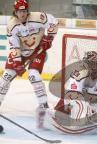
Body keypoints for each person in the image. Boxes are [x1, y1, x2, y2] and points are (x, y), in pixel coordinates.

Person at [0, 0, 58, 128]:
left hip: (38, 50)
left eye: (24, 11)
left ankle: (44, 107)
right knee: (6, 77)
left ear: (28, 11)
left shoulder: (38, 17)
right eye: (19, 11)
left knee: (33, 76)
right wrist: (17, 63)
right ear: (15, 12)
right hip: (20, 52)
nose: (22, 14)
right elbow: (14, 46)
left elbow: (53, 21)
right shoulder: (12, 25)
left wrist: (50, 37)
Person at [52, 51, 97, 134]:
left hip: (95, 104)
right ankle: (77, 123)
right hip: (77, 103)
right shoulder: (78, 74)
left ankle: (88, 124)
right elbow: (72, 95)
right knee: (79, 104)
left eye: (94, 64)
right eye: (88, 63)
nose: (91, 66)